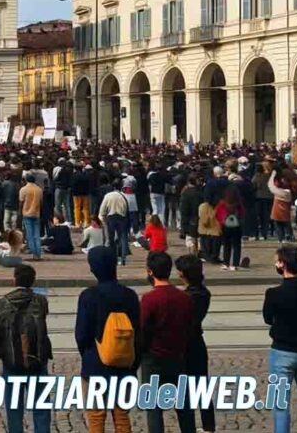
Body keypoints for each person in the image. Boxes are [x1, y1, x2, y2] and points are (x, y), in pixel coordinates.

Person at [75, 246, 139, 433]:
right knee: (121, 416)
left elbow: (81, 334)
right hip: (125, 364)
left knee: (96, 417)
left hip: (95, 363)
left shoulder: (88, 296)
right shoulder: (130, 296)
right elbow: (138, 332)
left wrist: (87, 354)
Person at [0, 264, 51, 433]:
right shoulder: (40, 301)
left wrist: (4, 354)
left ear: (14, 280)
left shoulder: (1, 304)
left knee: (14, 409)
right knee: (41, 408)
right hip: (37, 360)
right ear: (33, 281)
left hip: (12, 362)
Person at [139, 251, 195, 433]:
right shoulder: (185, 298)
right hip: (178, 356)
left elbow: (141, 330)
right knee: (184, 406)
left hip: (153, 358)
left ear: (150, 271)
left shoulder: (149, 299)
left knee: (154, 408)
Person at [264, 246, 297, 433]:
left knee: (280, 405)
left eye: (277, 261)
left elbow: (267, 318)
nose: (275, 263)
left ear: (283, 264)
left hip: (281, 351)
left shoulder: (274, 293)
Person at [175, 254, 215, 433]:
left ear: (183, 274)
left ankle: (189, 427)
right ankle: (208, 426)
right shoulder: (204, 293)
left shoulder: (185, 297)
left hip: (184, 345)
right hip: (198, 343)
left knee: (185, 390)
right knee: (202, 387)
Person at [215, 186, 245, 270]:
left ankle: (226, 263)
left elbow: (217, 214)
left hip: (225, 226)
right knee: (236, 245)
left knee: (226, 245)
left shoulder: (222, 203)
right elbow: (242, 213)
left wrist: (221, 221)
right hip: (236, 225)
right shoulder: (238, 203)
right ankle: (235, 264)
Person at [99, 182, 129, 265]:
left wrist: (102, 218)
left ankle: (113, 257)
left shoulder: (108, 196)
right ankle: (123, 257)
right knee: (122, 238)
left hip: (111, 217)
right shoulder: (123, 196)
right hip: (122, 217)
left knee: (111, 239)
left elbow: (103, 209)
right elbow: (126, 208)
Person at [20, 174, 43, 261]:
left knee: (30, 235)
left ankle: (34, 252)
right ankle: (38, 253)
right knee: (36, 234)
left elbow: (21, 202)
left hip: (26, 213)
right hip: (36, 213)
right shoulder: (39, 190)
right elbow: (41, 203)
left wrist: (20, 213)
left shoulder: (23, 189)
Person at [269, 170, 293, 244]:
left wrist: (272, 175)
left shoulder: (277, 191)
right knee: (286, 224)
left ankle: (280, 238)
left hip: (276, 211)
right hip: (285, 211)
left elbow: (271, 186)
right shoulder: (288, 192)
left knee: (278, 225)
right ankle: (288, 236)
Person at [198, 200, 221, 264]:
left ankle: (208, 256)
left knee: (206, 245)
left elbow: (204, 220)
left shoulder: (203, 206)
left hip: (205, 230)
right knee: (215, 245)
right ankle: (214, 257)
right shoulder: (219, 205)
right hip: (215, 229)